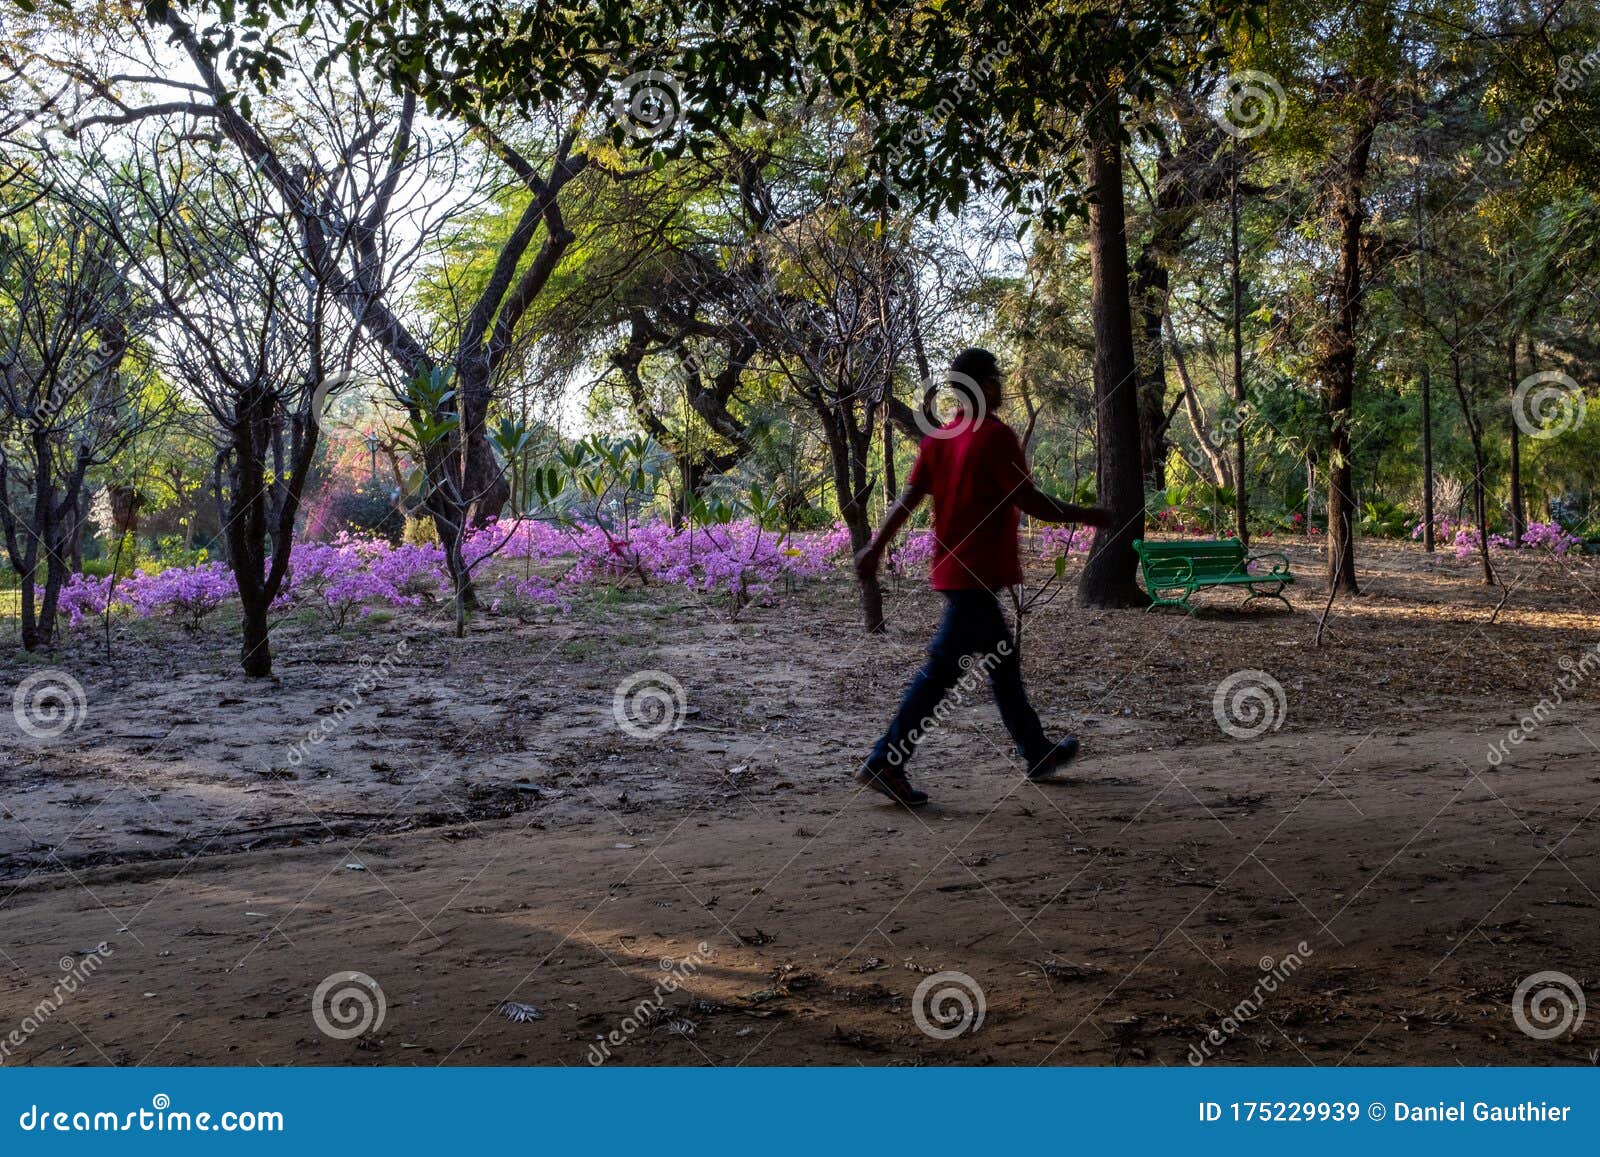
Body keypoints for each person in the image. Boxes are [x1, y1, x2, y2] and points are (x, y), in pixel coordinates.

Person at [852, 348, 1113, 807]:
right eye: (996, 378)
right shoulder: (994, 438)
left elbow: (907, 499)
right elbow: (1030, 501)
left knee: (1000, 666)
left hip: (955, 574)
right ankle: (887, 759)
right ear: (984, 384)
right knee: (941, 675)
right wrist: (1091, 515)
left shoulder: (940, 437)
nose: (1001, 386)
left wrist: (876, 547)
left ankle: (1035, 750)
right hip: (973, 578)